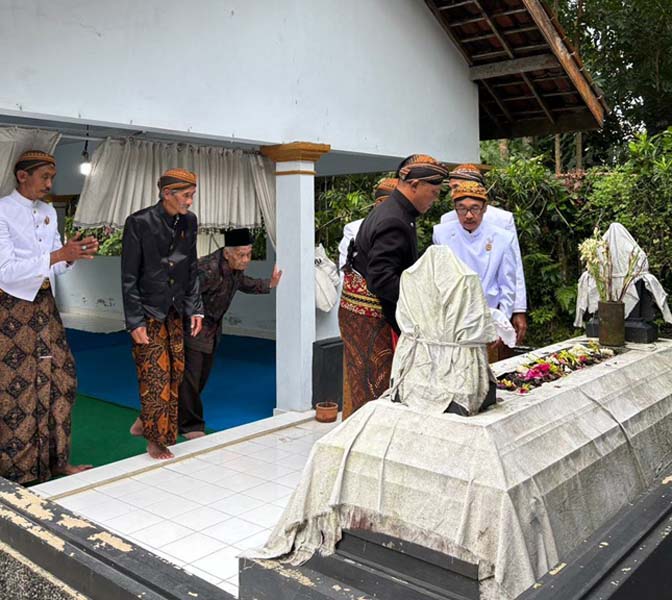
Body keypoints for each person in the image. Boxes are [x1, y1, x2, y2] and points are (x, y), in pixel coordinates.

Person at [0, 150, 99, 483]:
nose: (49, 184)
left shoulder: (47, 212)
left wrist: (71, 256)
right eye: (44, 177)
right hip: (11, 308)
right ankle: (17, 471)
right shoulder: (2, 211)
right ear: (22, 176)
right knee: (16, 387)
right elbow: (5, 271)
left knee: (61, 379)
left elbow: (54, 264)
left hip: (45, 306)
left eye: (52, 178)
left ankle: (57, 462)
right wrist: (58, 254)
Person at [339, 155, 447, 418]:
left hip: (362, 315)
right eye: (433, 192)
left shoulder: (395, 211)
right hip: (370, 319)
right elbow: (382, 279)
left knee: (364, 387)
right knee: (375, 392)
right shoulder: (394, 219)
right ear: (415, 185)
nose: (434, 199)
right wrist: (424, 299)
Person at [122, 168, 203, 460]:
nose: (190, 202)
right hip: (148, 311)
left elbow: (191, 267)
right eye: (186, 196)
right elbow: (129, 276)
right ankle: (156, 440)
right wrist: (134, 321)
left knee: (176, 372)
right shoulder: (139, 222)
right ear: (167, 193)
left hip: (175, 310)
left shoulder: (189, 221)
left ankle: (146, 420)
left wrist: (196, 308)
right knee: (156, 375)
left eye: (192, 196)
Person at [178, 228, 282, 438]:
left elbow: (244, 283)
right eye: (241, 255)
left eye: (249, 254)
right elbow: (184, 294)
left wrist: (269, 283)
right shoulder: (206, 269)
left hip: (213, 330)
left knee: (200, 378)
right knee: (191, 379)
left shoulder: (234, 268)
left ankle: (163, 416)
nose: (246, 260)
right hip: (193, 327)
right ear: (227, 253)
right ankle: (190, 426)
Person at [440, 164, 528, 344]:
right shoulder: (445, 223)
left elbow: (513, 268)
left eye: (456, 187)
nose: (453, 192)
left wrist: (517, 309)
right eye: (451, 189)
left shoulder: (502, 220)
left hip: (491, 305)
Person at [433, 179, 516, 322]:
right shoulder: (441, 233)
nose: (469, 215)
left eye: (475, 208)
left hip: (488, 313)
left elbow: (507, 285)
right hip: (451, 314)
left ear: (484, 208)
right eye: (462, 209)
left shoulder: (502, 238)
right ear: (455, 209)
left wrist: (502, 321)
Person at [337, 178, 398, 271]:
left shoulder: (405, 227)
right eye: (396, 204)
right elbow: (347, 271)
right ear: (379, 203)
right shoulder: (354, 229)